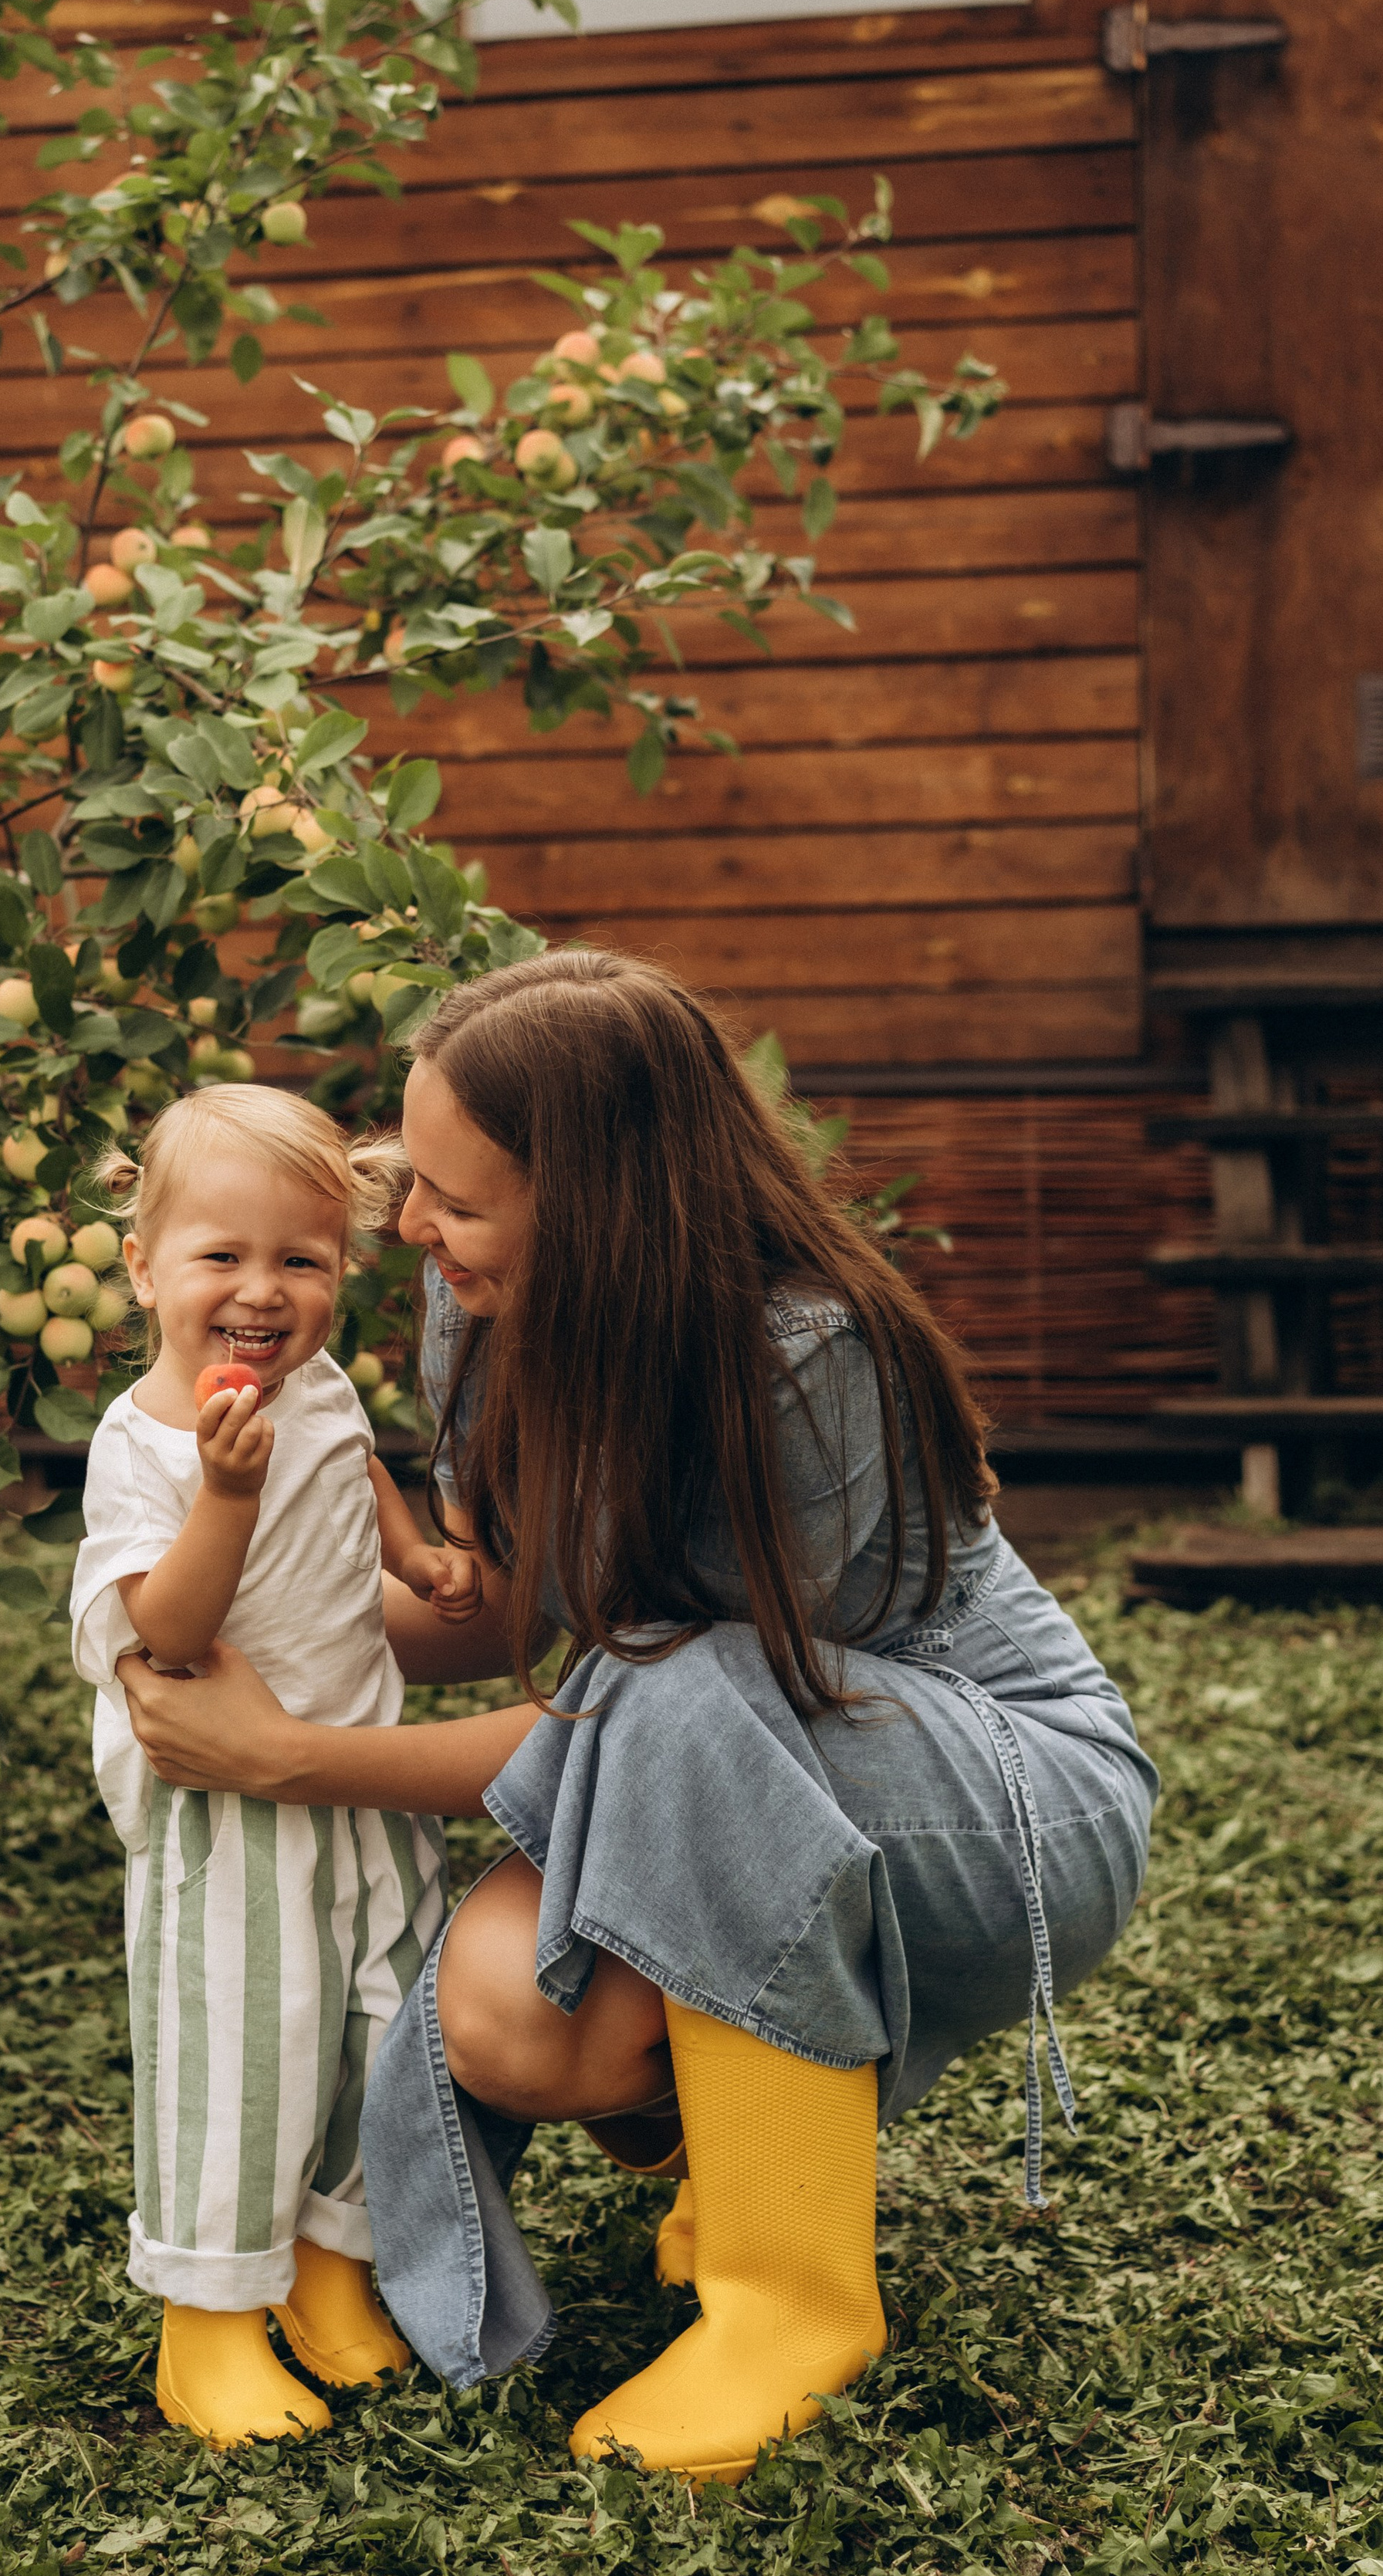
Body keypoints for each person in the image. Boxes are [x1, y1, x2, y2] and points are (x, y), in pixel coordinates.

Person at [114, 952, 1157, 2483]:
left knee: (674, 1702)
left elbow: (640, 1723)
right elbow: (507, 1617)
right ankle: (740, 2152)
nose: (407, 1227)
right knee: (503, 2013)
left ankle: (790, 2304)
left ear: (593, 1201)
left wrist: (292, 1760)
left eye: (453, 1203)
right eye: (413, 1185)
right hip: (731, 1759)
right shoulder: (485, 1310)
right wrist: (232, 1629)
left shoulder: (801, 1360)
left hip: (1004, 1792)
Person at [68, 1083, 483, 2449]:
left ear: (341, 1273)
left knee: (386, 2031)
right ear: (143, 1265)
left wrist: (416, 1554)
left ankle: (328, 2269)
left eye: (299, 1260)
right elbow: (166, 1631)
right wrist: (226, 1497)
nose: (261, 1292)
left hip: (357, 1768)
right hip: (228, 1814)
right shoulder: (146, 1448)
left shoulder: (311, 1392)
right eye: (220, 1257)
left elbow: (357, 1470)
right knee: (246, 2054)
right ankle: (207, 2322)